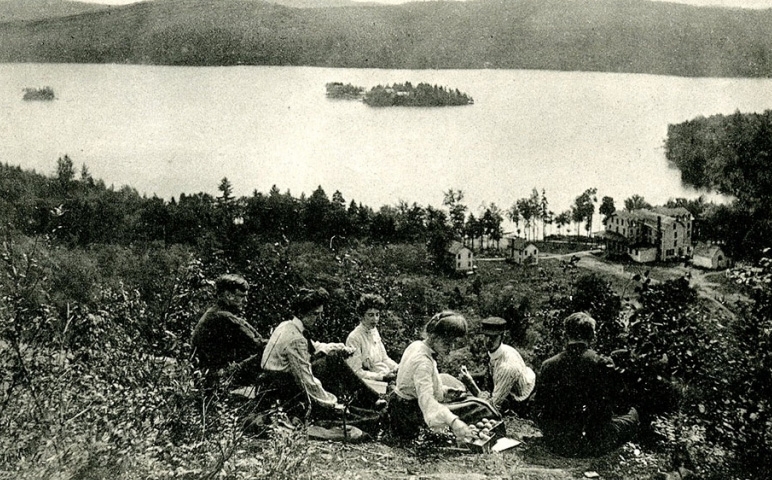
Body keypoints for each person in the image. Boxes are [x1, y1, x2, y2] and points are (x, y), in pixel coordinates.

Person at [261, 287, 380, 417]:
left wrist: (337, 347)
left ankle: (369, 399)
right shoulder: (296, 339)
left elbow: (313, 346)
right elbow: (305, 380)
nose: (319, 319)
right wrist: (331, 402)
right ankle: (367, 401)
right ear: (302, 313)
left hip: (279, 381)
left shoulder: (287, 326)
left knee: (334, 356)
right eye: (315, 314)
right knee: (333, 361)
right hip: (283, 388)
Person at [534, 312, 639, 457]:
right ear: (592, 336)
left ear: (566, 335)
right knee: (633, 414)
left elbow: (538, 405)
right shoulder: (602, 362)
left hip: (557, 441)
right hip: (593, 442)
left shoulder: (548, 365)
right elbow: (622, 404)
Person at [388, 311, 499, 441]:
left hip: (401, 404)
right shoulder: (423, 362)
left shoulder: (417, 345)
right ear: (435, 337)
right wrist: (454, 422)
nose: (451, 348)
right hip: (409, 414)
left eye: (453, 343)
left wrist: (445, 391)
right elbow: (427, 403)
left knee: (473, 403)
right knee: (478, 409)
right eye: (447, 343)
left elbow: (413, 384)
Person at [191, 274, 266, 388]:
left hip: (205, 377)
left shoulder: (214, 312)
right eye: (241, 296)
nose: (245, 301)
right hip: (217, 378)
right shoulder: (224, 317)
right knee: (269, 353)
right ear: (228, 295)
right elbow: (258, 344)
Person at [459, 316, 536, 413]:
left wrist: (471, 384)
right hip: (513, 382)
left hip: (522, 399)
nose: (488, 341)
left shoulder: (507, 367)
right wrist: (471, 376)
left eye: (493, 337)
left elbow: (492, 408)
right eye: (486, 336)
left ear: (502, 337)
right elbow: (491, 371)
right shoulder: (499, 351)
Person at [345, 294, 398, 393]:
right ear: (361, 316)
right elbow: (356, 372)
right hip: (370, 386)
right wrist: (381, 377)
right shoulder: (354, 337)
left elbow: (384, 358)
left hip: (386, 379)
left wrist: (398, 368)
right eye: (370, 315)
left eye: (377, 314)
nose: (375, 319)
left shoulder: (374, 331)